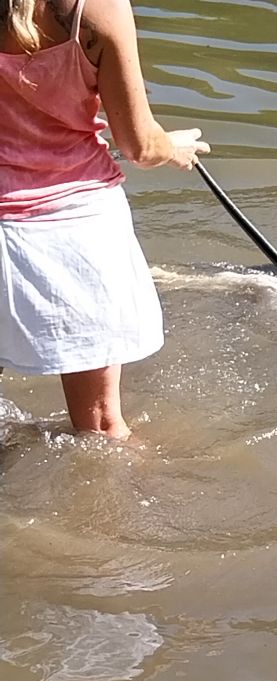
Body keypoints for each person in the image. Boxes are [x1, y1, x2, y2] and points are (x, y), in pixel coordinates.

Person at [0, 0, 210, 439]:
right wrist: (172, 147)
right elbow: (138, 144)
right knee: (100, 425)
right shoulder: (96, 10)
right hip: (73, 229)